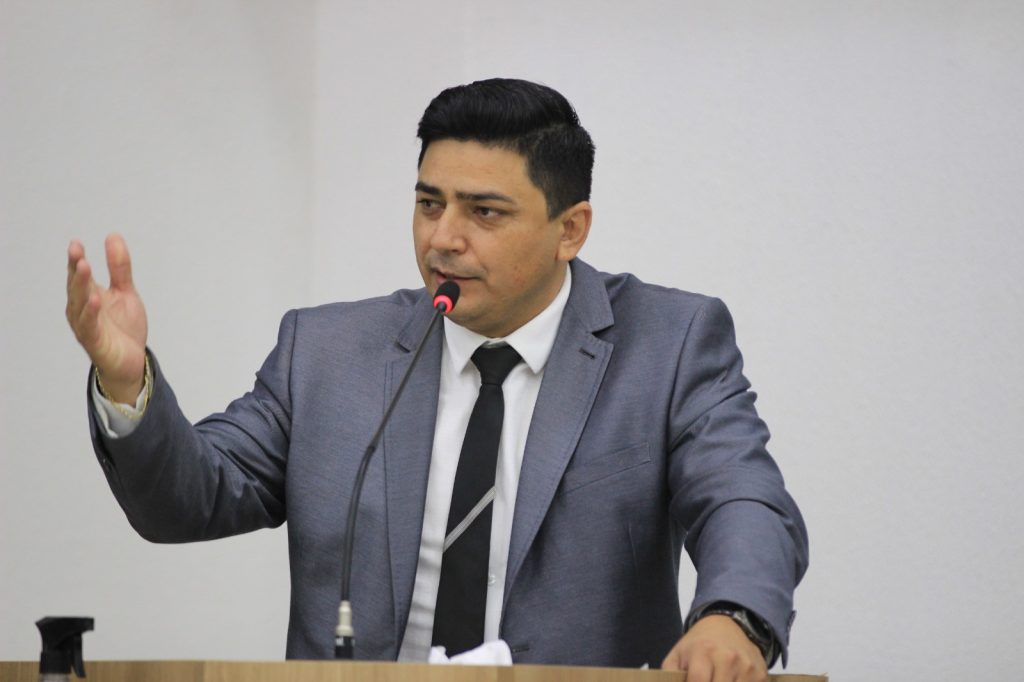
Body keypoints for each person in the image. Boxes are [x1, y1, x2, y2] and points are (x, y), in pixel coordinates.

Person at [65, 78, 808, 682]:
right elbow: (188, 499)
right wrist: (127, 385)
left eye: (484, 212)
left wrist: (732, 618)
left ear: (570, 230)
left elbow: (743, 499)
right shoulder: (326, 353)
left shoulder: (667, 345)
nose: (442, 239)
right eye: (429, 204)